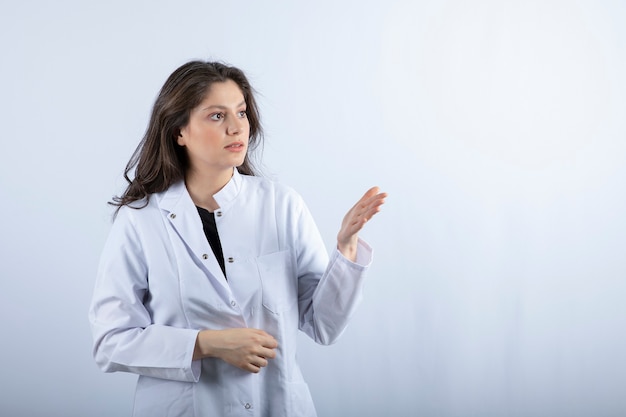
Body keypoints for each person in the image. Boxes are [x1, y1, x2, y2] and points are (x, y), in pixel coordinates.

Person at [88, 60, 387, 417]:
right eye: (217, 116)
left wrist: (346, 249)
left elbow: (324, 326)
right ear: (179, 131)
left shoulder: (281, 204)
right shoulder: (141, 220)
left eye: (241, 113)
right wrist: (207, 344)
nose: (236, 127)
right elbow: (111, 341)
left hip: (275, 405)